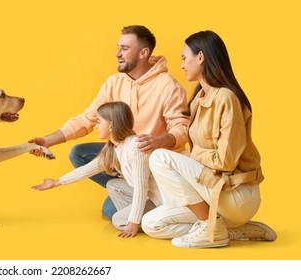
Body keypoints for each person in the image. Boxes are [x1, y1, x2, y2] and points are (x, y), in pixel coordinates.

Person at [29, 25, 189, 220]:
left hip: (152, 163)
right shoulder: (114, 82)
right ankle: (137, 193)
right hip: (126, 156)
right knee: (79, 154)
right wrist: (47, 141)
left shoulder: (168, 86)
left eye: (124, 48)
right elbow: (87, 119)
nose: (117, 53)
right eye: (118, 47)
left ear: (143, 53)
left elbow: (182, 128)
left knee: (111, 212)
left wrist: (159, 141)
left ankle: (154, 200)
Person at [144, 30, 276, 248]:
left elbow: (226, 161)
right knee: (151, 224)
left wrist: (191, 156)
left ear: (201, 57)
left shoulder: (227, 98)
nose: (182, 65)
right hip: (212, 191)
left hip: (235, 194)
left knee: (159, 157)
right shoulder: (198, 100)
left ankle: (210, 224)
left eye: (185, 58)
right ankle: (231, 230)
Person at [32, 102, 168, 238]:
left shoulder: (135, 147)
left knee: (117, 220)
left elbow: (141, 188)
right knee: (112, 185)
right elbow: (87, 169)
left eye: (98, 122)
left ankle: (154, 219)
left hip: (159, 200)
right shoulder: (115, 148)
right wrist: (56, 182)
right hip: (147, 196)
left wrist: (133, 222)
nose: (96, 126)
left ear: (110, 125)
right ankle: (138, 215)